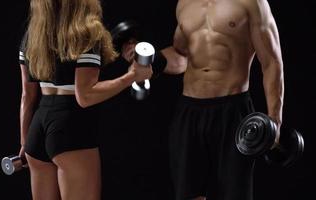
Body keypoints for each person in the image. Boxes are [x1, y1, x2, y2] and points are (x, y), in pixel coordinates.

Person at [17, 0, 152, 199]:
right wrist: (132, 76)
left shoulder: (32, 36)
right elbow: (85, 96)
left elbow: (27, 97)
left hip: (37, 131)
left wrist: (25, 142)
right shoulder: (87, 32)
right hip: (70, 128)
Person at [169, 0, 284, 200]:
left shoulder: (251, 3)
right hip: (189, 111)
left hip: (232, 111)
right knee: (188, 195)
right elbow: (180, 57)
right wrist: (145, 58)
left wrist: (275, 119)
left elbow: (271, 62)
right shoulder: (184, 3)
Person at [97, 20, 187, 200]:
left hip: (160, 139)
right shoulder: (105, 67)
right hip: (117, 147)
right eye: (124, 44)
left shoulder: (157, 54)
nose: (129, 46)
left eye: (132, 41)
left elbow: (181, 61)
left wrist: (147, 58)